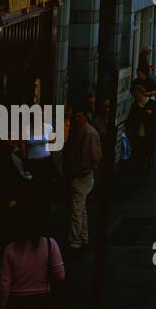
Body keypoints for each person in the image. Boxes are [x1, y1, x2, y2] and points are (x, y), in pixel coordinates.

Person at [64, 103, 101, 251]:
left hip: (82, 174)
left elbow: (95, 156)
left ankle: (75, 241)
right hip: (81, 173)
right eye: (76, 116)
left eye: (80, 116)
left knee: (77, 210)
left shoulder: (89, 133)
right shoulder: (80, 130)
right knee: (81, 208)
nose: (77, 119)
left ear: (85, 117)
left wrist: (83, 170)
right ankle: (83, 237)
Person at [126, 83, 156, 174]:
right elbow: (131, 119)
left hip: (149, 133)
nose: (133, 96)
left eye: (134, 94)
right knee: (138, 150)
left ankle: (147, 164)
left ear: (139, 93)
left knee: (148, 149)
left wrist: (150, 118)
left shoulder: (152, 104)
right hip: (138, 133)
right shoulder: (135, 105)